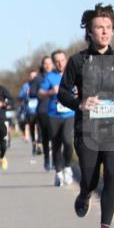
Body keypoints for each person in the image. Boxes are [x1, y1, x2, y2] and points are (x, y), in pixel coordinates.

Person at [59, 3, 114, 228]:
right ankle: (85, 194)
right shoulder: (77, 61)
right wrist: (80, 104)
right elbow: (62, 94)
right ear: (90, 32)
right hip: (87, 130)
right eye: (99, 27)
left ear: (113, 30)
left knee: (112, 174)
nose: (104, 31)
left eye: (108, 27)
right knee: (91, 179)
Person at [39, 50, 76, 187]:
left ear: (66, 60)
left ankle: (67, 167)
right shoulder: (50, 76)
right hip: (54, 114)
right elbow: (40, 93)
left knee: (68, 141)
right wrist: (50, 91)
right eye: (57, 61)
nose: (60, 63)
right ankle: (58, 172)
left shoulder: (73, 74)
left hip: (69, 113)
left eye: (62, 60)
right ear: (54, 63)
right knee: (56, 144)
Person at [30, 57, 55, 168]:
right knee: (45, 135)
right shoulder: (38, 78)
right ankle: (47, 159)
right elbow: (32, 93)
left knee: (55, 136)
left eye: (50, 63)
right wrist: (45, 93)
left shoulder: (58, 76)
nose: (48, 65)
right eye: (45, 63)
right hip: (43, 109)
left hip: (56, 109)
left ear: (53, 64)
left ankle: (55, 159)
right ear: (42, 65)